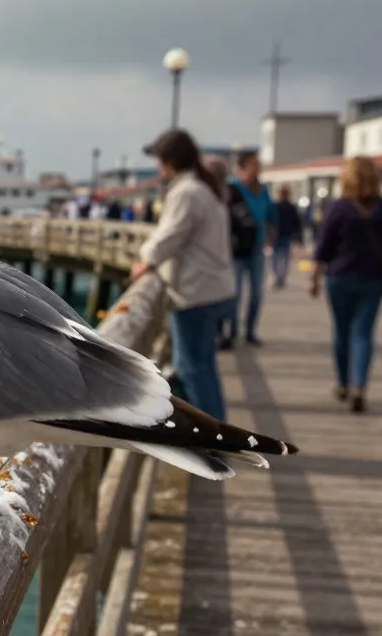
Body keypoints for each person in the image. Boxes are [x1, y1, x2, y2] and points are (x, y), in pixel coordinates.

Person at [130, 129, 236, 420]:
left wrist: (144, 260)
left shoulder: (186, 192)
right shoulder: (204, 187)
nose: (157, 166)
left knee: (192, 368)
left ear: (170, 161)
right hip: (213, 289)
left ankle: (212, 435)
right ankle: (217, 428)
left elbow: (169, 237)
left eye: (159, 159)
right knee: (203, 366)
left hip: (195, 292)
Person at [310, 157, 382, 413]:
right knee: (363, 333)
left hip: (339, 277)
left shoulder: (338, 207)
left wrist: (314, 277)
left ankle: (343, 384)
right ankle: (359, 387)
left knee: (341, 331)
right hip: (372, 278)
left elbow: (323, 246)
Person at [225, 151, 274, 347]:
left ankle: (251, 331)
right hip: (236, 248)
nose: (257, 170)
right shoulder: (232, 188)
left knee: (256, 293)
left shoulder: (263, 190)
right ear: (242, 168)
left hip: (256, 246)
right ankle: (232, 331)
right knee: (235, 292)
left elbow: (270, 214)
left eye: (258, 166)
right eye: (253, 165)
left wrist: (270, 235)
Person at [271, 185, 303, 288]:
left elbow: (271, 220)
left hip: (278, 234)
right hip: (285, 234)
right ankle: (281, 276)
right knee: (284, 257)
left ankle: (278, 276)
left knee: (276, 257)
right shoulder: (291, 207)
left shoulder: (276, 206)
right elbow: (297, 223)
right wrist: (298, 236)